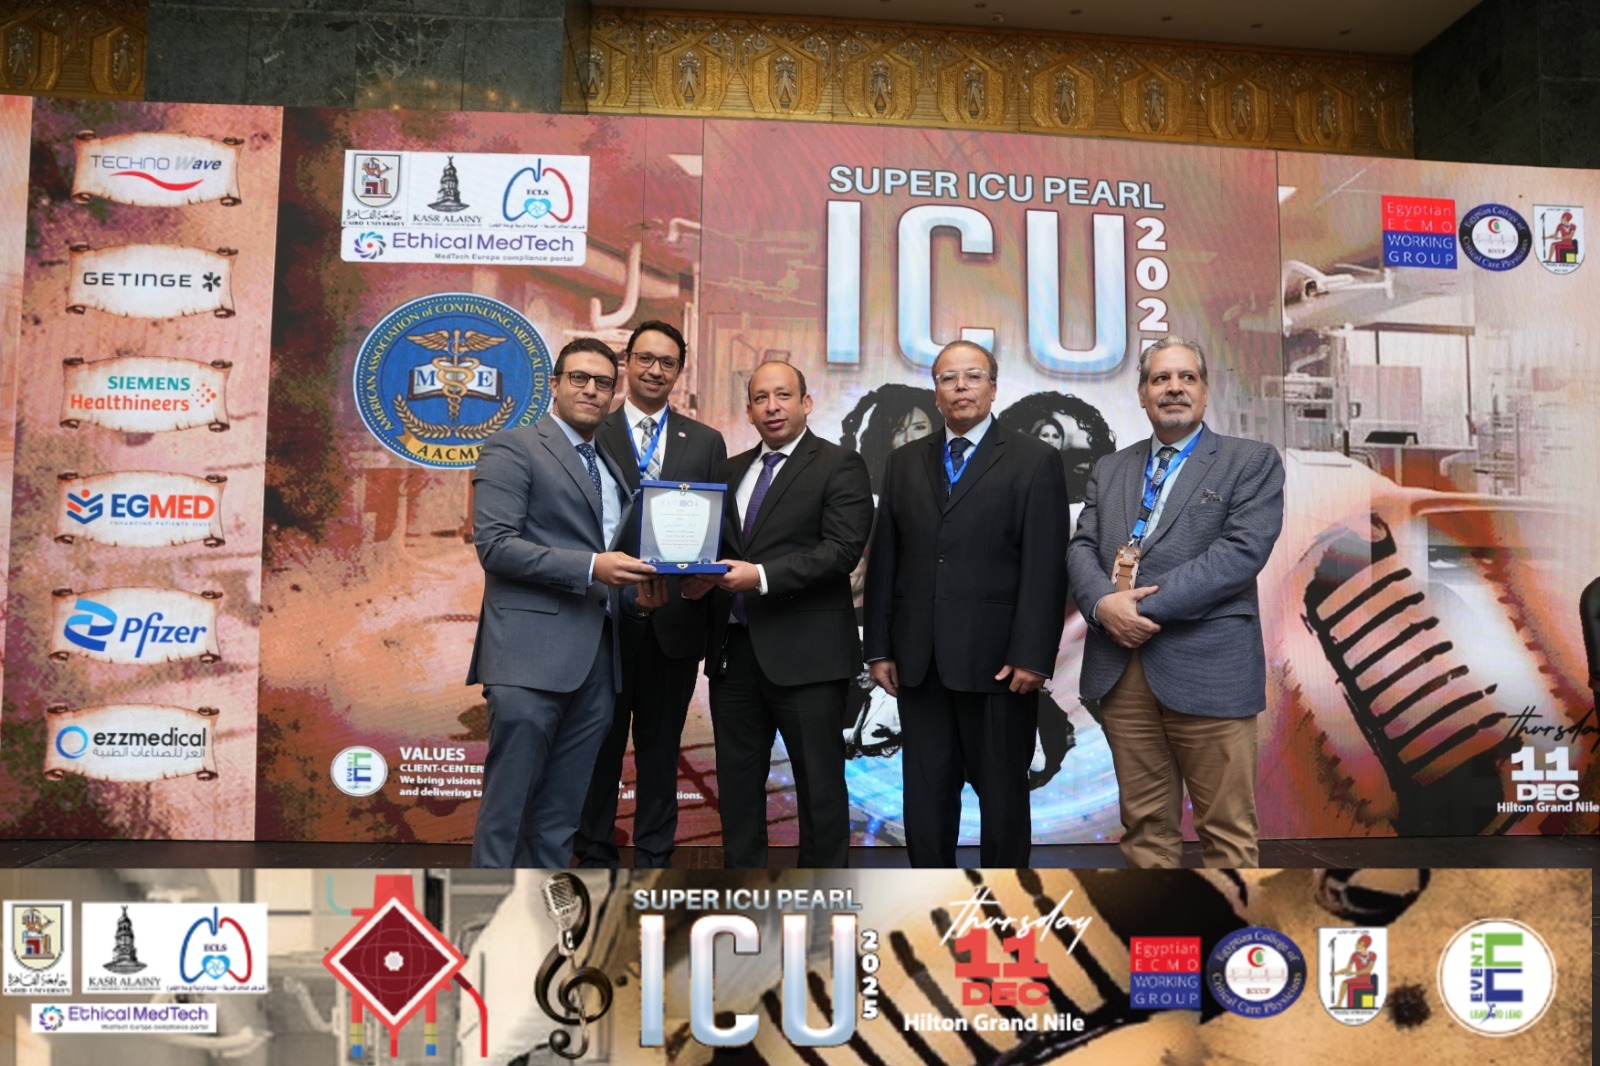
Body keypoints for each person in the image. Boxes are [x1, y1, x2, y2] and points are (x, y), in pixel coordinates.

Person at [1066, 335, 1284, 868]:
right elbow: (1081, 548)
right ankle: (1160, 923)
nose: (1174, 388)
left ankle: (1230, 926)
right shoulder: (1110, 468)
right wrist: (1102, 607)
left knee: (1227, 831)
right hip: (1122, 672)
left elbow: (1239, 555)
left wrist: (1133, 609)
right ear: (1142, 394)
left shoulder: (1250, 461)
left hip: (1208, 668)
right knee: (1145, 829)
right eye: (1160, 378)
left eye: (1187, 377)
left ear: (1205, 392)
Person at [863, 340, 1070, 867]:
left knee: (1003, 800)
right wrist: (879, 647)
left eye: (973, 376)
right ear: (935, 392)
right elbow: (885, 560)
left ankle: (1006, 904)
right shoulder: (904, 462)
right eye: (948, 378)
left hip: (999, 666)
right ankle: (930, 900)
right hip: (920, 664)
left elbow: (1045, 568)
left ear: (993, 388)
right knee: (926, 801)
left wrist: (1032, 655)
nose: (960, 387)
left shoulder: (1034, 460)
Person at [467, 337, 666, 868]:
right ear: (554, 384)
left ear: (614, 393)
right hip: (528, 659)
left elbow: (610, 564)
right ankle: (488, 913)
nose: (591, 390)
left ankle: (542, 911)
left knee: (561, 816)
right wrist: (591, 567)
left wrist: (639, 603)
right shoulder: (513, 447)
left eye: (603, 383)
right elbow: (496, 546)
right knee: (509, 809)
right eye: (579, 378)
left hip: (598, 663)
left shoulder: (611, 468)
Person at [684, 360, 873, 868]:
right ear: (748, 411)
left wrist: (760, 576)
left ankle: (823, 896)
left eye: (783, 395)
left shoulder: (840, 464)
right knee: (737, 788)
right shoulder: (727, 472)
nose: (772, 406)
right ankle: (744, 892)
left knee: (820, 788)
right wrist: (694, 577)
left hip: (808, 658)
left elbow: (840, 552)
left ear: (806, 403)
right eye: (761, 398)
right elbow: (715, 551)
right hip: (733, 654)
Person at [575, 321, 727, 869]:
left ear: (680, 371)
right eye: (644, 359)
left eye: (667, 362)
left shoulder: (704, 441)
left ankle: (655, 859)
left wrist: (707, 576)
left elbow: (719, 531)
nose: (655, 370)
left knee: (662, 754)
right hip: (603, 622)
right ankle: (594, 854)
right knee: (598, 747)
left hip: (675, 623)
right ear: (626, 363)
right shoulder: (591, 430)